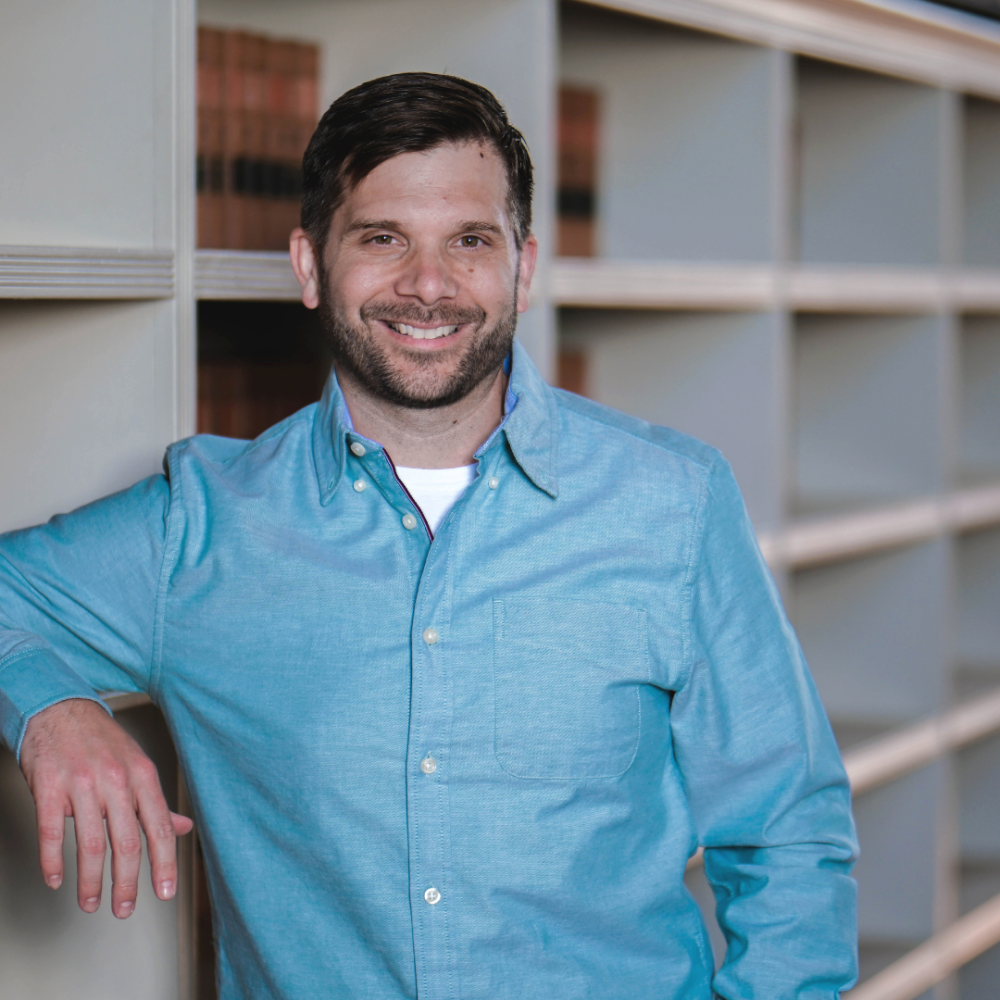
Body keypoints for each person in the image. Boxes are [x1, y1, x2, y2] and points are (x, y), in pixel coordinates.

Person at [0, 73, 858, 999]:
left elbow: (786, 831)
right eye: (382, 238)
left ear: (522, 268)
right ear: (309, 265)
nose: (428, 285)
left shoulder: (674, 502)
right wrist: (47, 707)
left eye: (470, 242)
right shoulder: (200, 526)